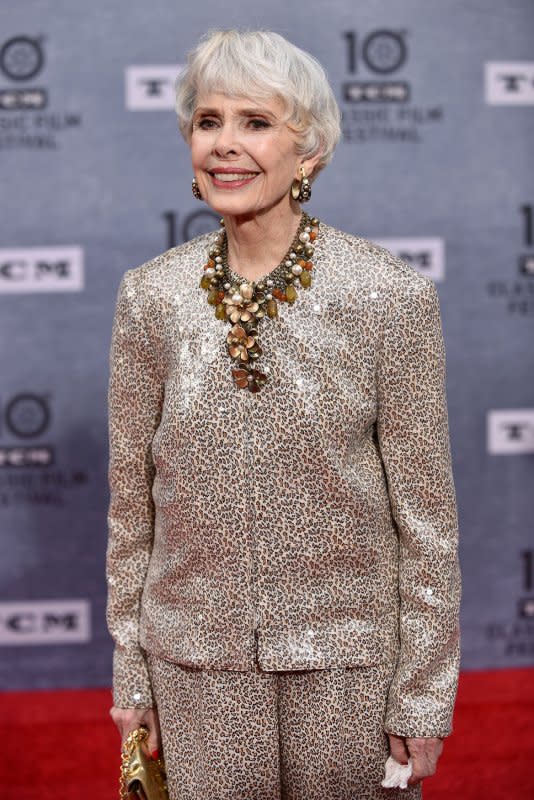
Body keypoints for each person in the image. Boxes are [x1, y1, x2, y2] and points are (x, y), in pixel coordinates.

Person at [106, 29, 461, 800]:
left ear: (311, 151)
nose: (225, 145)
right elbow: (131, 509)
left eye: (256, 123)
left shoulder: (387, 298)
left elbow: (426, 519)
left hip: (351, 669)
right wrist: (133, 675)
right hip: (194, 667)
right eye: (208, 121)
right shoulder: (150, 299)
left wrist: (425, 691)